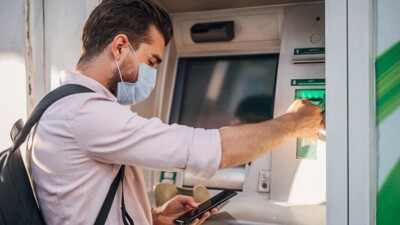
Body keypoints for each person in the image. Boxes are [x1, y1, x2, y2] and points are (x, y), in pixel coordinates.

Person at [29, 0, 324, 224]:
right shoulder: (85, 114)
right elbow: (205, 150)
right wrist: (292, 124)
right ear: (120, 47)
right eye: (152, 61)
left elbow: (83, 205)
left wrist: (151, 217)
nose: (153, 73)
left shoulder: (61, 103)